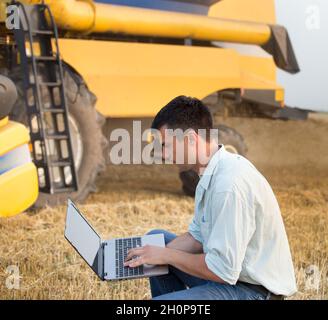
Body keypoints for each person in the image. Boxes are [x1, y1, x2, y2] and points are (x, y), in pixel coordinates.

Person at [124, 96, 297, 300]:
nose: (163, 154)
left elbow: (222, 270)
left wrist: (166, 255)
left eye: (166, 145)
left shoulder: (229, 185)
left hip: (253, 292)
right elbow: (196, 237)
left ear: (190, 140)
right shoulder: (209, 171)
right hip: (233, 280)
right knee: (158, 239)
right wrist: (148, 254)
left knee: (163, 256)